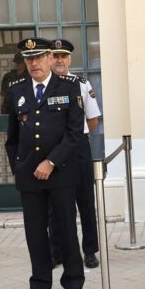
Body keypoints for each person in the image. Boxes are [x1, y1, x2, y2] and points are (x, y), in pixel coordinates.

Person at [5, 37, 86, 289]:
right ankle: (40, 285)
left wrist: (51, 162)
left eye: (39, 57)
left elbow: (74, 133)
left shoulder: (69, 87)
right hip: (29, 175)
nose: (34, 63)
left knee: (66, 229)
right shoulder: (17, 90)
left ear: (50, 58)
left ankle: (73, 284)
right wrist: (17, 168)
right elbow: (12, 138)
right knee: (35, 232)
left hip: (61, 172)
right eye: (29, 59)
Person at [48, 39, 102, 269]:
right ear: (49, 58)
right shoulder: (42, 85)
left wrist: (74, 137)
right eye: (55, 56)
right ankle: (57, 251)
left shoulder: (81, 84)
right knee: (55, 204)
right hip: (52, 150)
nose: (60, 60)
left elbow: (93, 119)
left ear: (70, 59)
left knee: (85, 201)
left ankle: (89, 251)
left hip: (78, 148)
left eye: (64, 56)